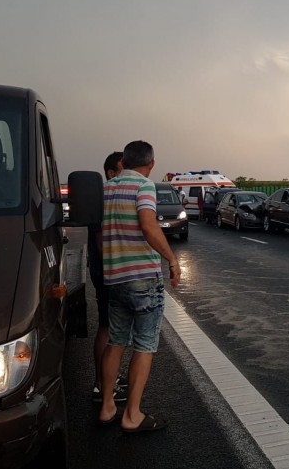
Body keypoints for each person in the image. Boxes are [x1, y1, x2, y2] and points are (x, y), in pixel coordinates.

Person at [98, 140, 181, 432]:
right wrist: (171, 259)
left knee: (116, 342)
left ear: (124, 161)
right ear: (151, 163)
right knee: (144, 345)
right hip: (143, 278)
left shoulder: (107, 188)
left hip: (115, 278)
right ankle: (132, 415)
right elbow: (148, 225)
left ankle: (107, 407)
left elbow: (100, 232)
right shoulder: (144, 186)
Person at [89, 151, 128, 403]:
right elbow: (102, 242)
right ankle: (102, 386)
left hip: (108, 271)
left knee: (113, 327)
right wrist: (114, 271)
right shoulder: (103, 198)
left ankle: (108, 378)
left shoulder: (108, 196)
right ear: (111, 173)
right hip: (107, 272)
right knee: (107, 327)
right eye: (124, 171)